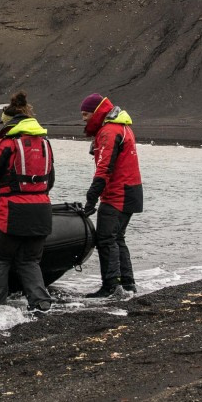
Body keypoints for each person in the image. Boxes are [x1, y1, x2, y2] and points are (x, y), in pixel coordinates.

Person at [0, 91, 55, 311]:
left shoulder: (7, 143)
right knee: (30, 261)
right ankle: (41, 304)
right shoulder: (45, 143)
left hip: (11, 211)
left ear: (8, 122)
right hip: (42, 211)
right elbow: (50, 180)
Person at [79, 93, 144, 297]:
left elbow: (104, 167)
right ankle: (127, 284)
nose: (84, 119)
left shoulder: (109, 131)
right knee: (117, 238)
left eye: (86, 114)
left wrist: (91, 197)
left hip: (118, 193)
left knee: (106, 239)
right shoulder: (122, 127)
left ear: (97, 112)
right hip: (131, 190)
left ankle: (111, 286)